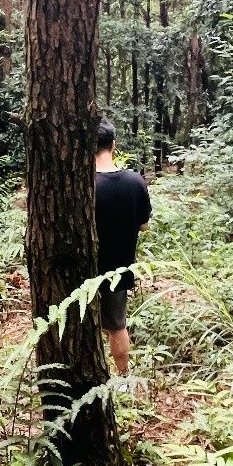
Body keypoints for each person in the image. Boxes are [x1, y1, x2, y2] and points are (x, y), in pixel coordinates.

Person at [94, 118, 152, 374]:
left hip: (82, 267)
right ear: (113, 145)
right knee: (117, 325)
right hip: (118, 268)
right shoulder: (135, 182)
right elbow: (144, 225)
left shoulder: (81, 185)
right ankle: (123, 377)